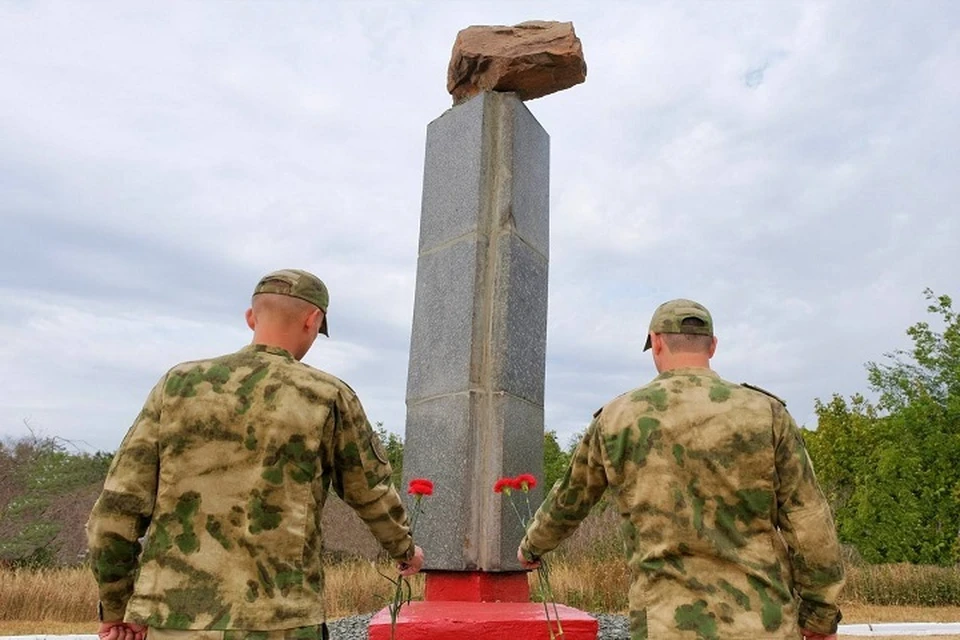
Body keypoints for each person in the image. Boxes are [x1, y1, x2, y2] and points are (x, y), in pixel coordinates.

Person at [87, 269, 423, 640]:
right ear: (313, 321)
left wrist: (117, 608)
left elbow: (115, 511)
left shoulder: (177, 385)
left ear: (251, 317)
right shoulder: (326, 396)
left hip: (173, 620)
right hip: (282, 620)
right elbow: (370, 490)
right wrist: (404, 550)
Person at [518, 299, 844, 640]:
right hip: (762, 623)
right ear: (713, 346)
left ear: (656, 342)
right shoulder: (766, 412)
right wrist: (820, 616)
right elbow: (808, 521)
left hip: (665, 624)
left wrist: (532, 547)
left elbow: (571, 499)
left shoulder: (618, 418)